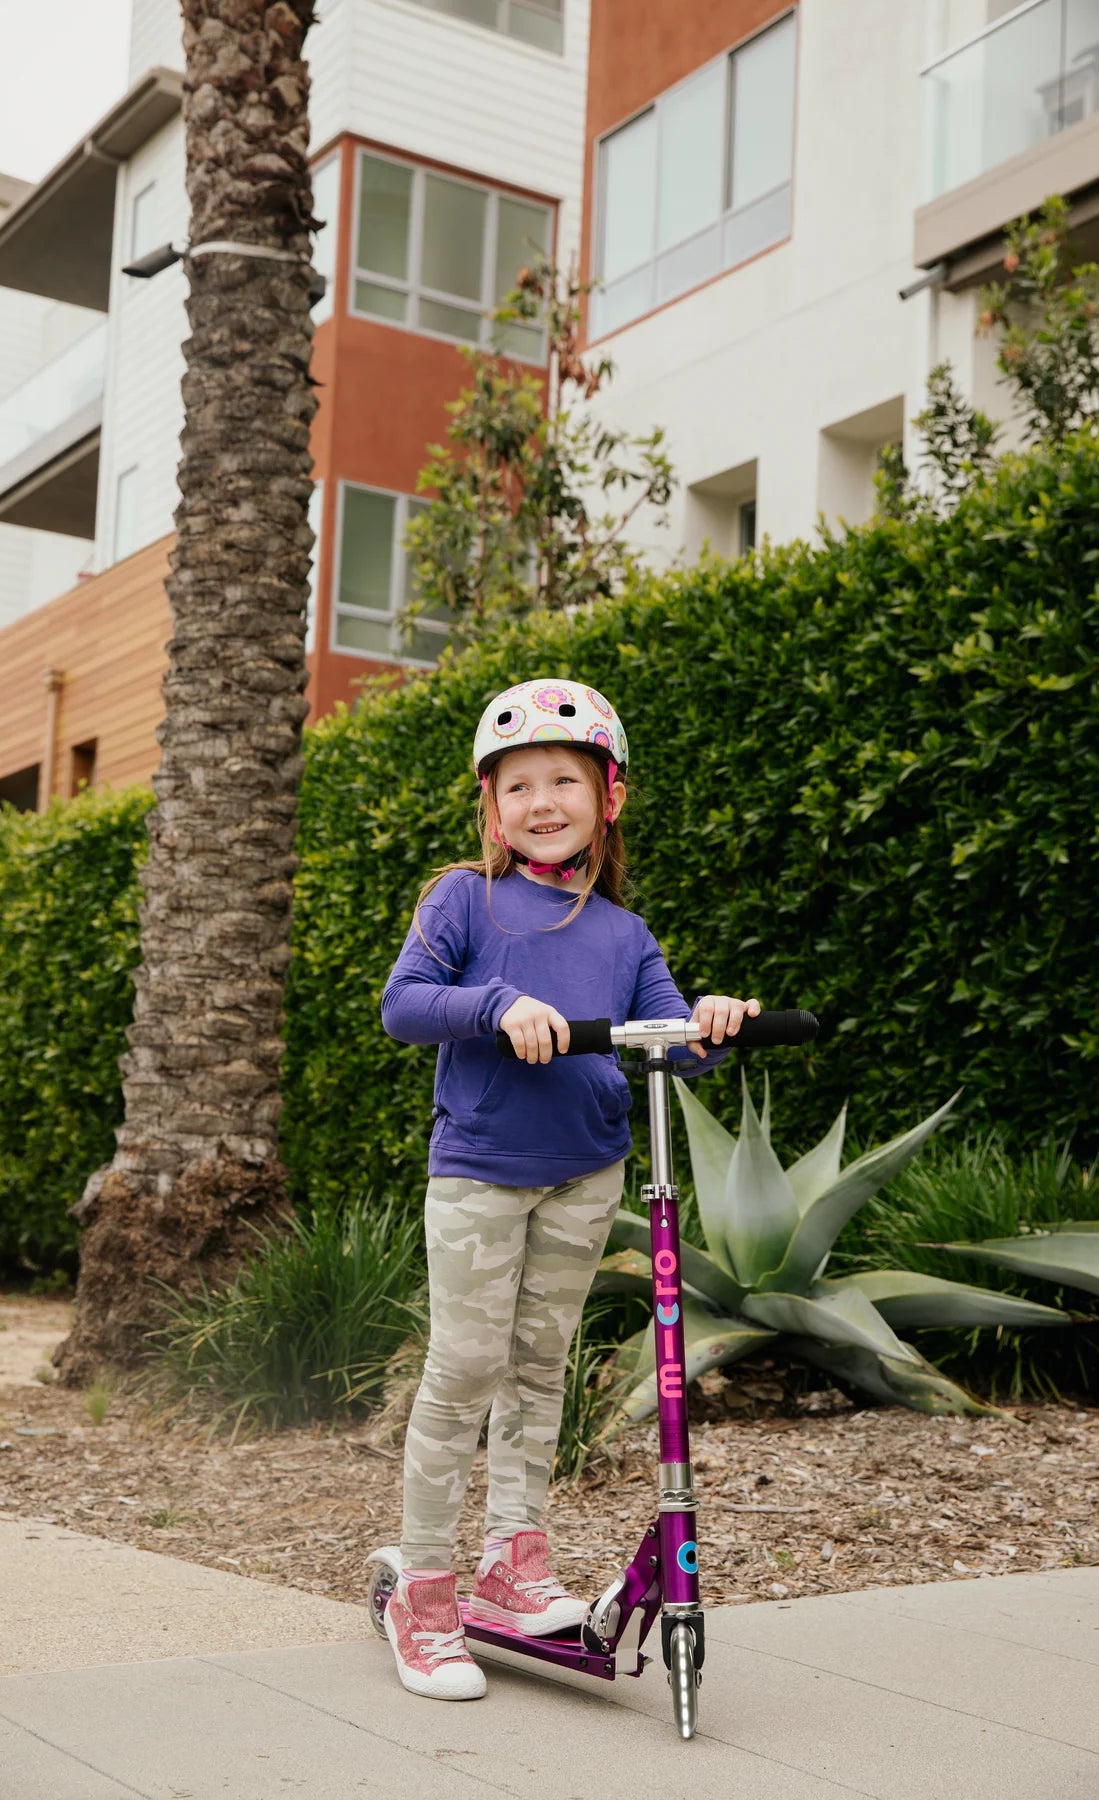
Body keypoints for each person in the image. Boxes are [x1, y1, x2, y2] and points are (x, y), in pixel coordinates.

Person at [379, 678, 759, 1701]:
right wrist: (497, 1004)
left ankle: (513, 1562)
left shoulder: (626, 937)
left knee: (541, 1368)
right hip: (481, 1173)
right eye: (518, 787)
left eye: (564, 780)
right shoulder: (463, 898)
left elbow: (674, 1047)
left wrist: (712, 1023)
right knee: (463, 1370)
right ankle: (422, 1587)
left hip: (586, 1173)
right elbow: (405, 1007)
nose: (541, 802)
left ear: (609, 798)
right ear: (491, 809)